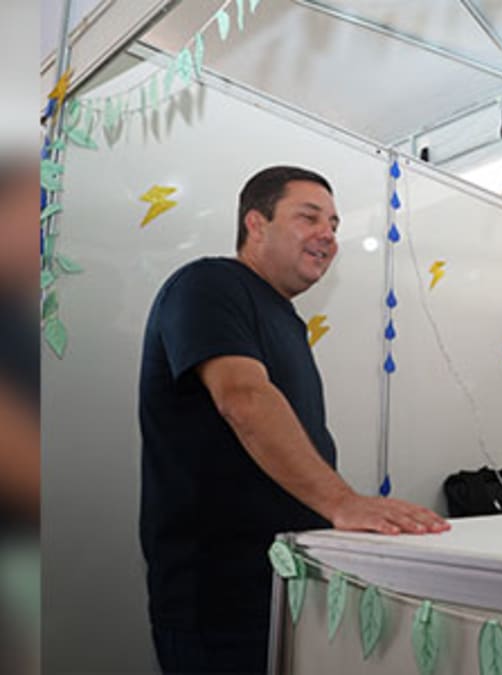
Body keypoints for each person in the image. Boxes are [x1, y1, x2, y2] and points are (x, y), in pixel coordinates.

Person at [138, 166, 449, 674]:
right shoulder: (209, 283)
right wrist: (343, 502)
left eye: (334, 223)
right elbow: (243, 398)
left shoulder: (285, 318)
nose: (327, 234)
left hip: (284, 585)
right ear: (255, 224)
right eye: (309, 217)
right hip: (218, 597)